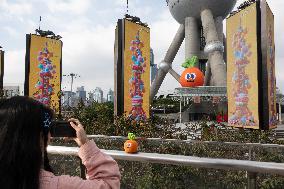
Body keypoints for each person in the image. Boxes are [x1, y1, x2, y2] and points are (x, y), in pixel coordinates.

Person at [0, 96, 121, 189]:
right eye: (48, 130)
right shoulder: (58, 185)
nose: (50, 137)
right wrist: (85, 144)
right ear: (39, 138)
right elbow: (109, 184)